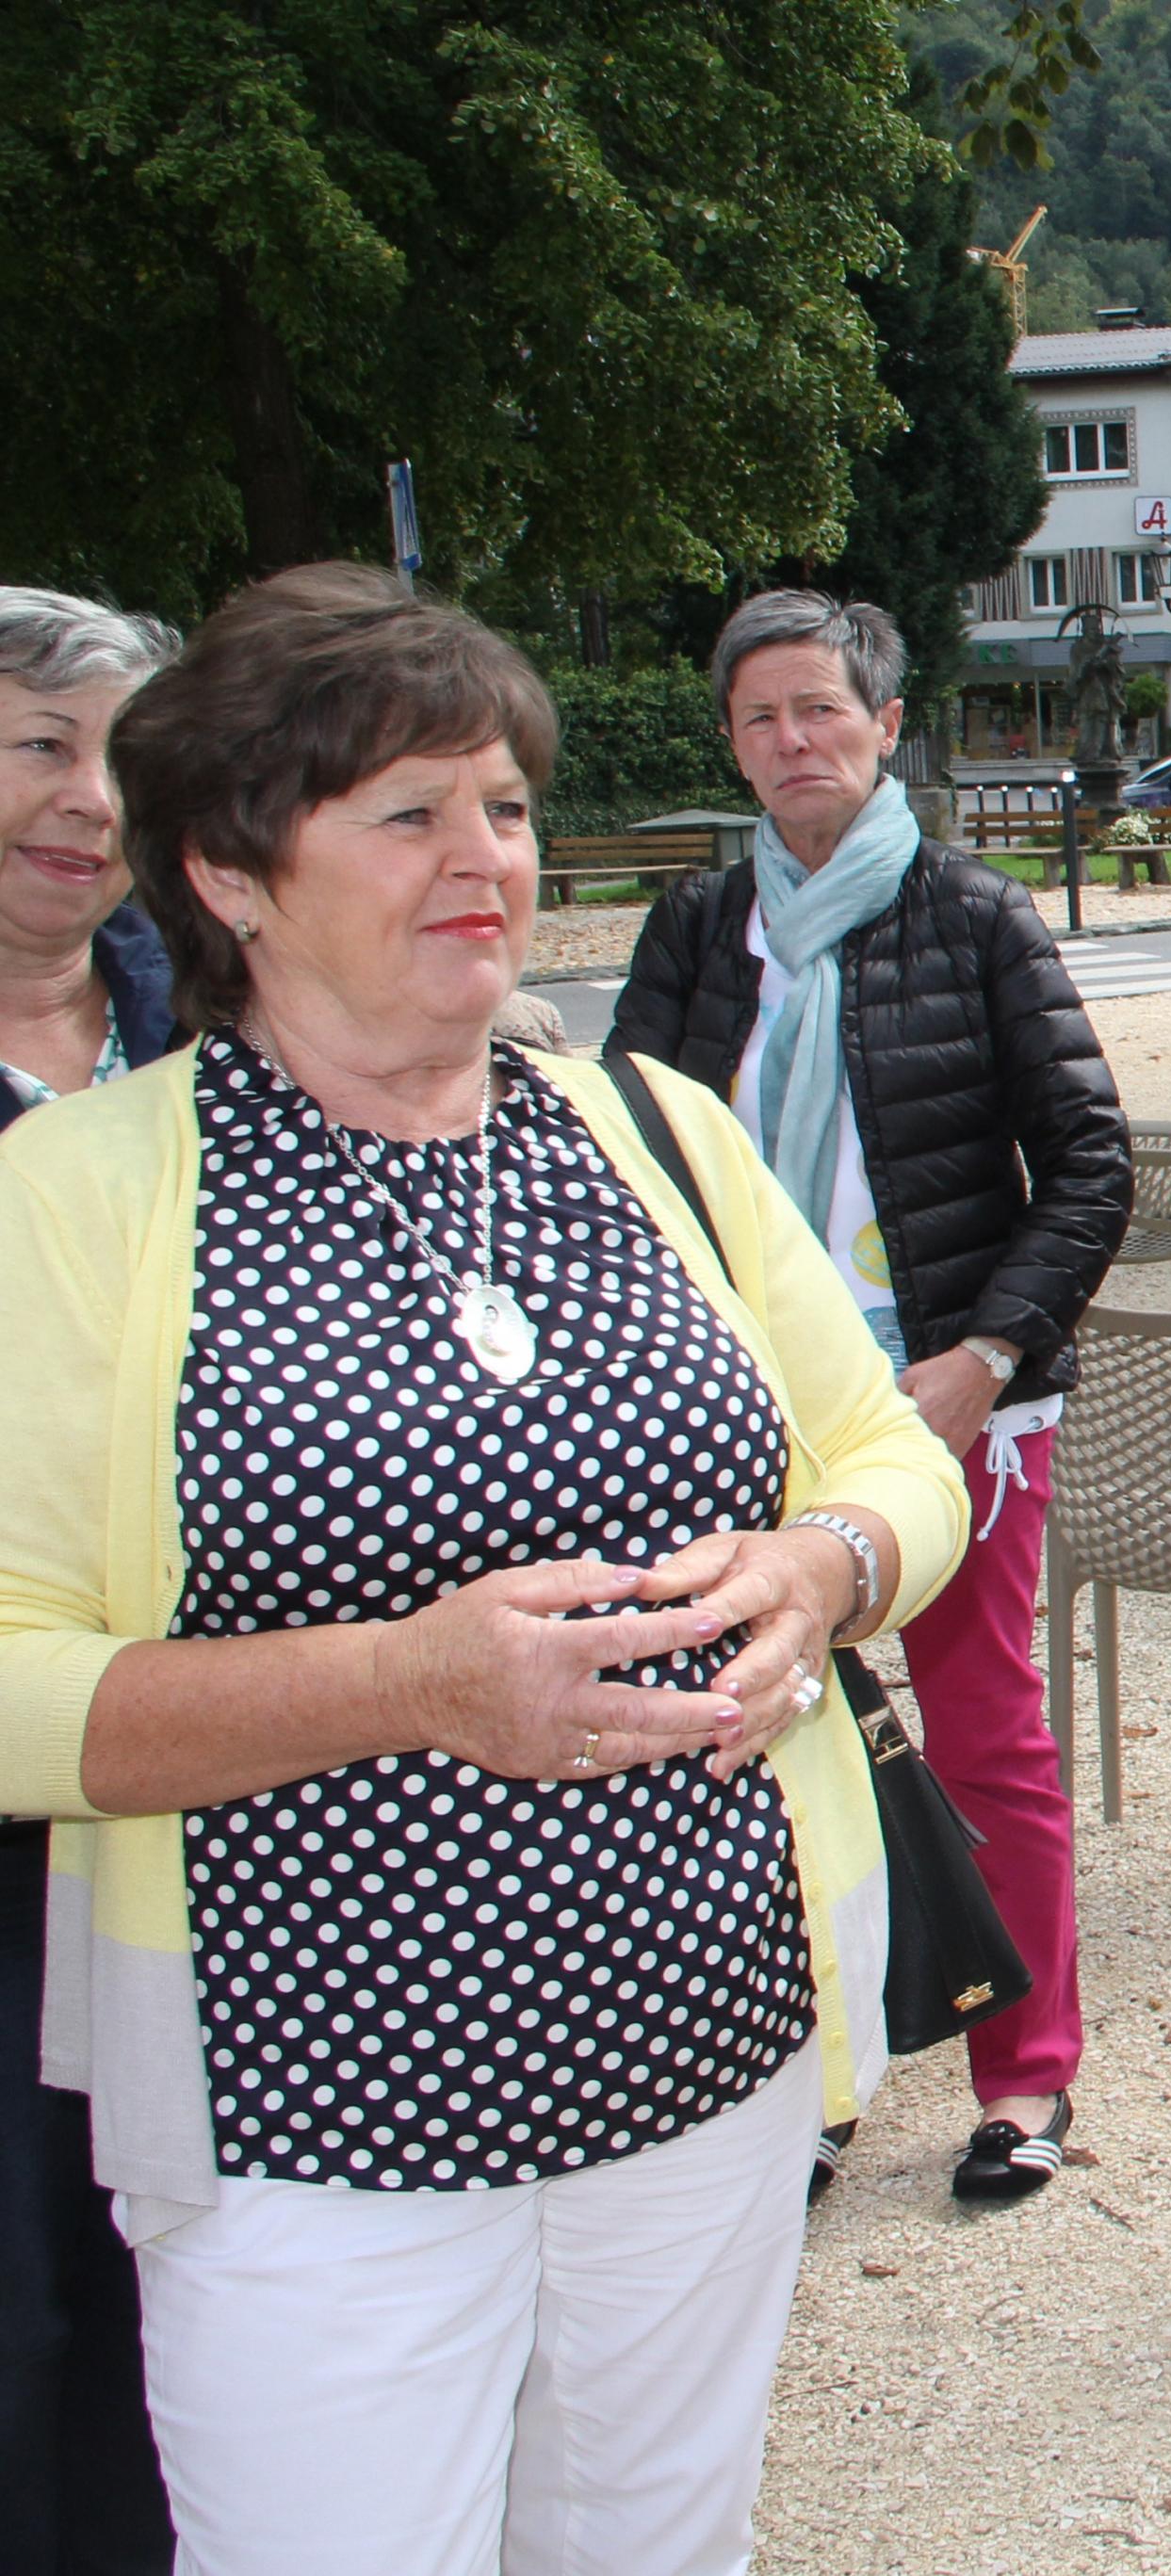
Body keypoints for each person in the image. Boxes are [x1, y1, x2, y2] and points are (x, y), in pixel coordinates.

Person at [0, 562, 969, 2573]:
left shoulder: (654, 1131)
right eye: (409, 814)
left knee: (655, 2548)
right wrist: (406, 1685)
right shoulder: (76, 1195)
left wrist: (828, 1566)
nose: (486, 860)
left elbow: (884, 1450)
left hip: (703, 2057)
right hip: (310, 2119)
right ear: (232, 874)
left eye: (508, 807)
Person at [614, 590, 1128, 2206]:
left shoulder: (974, 917)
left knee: (981, 1731)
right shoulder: (702, 931)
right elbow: (623, 1154)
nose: (794, 742)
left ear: (887, 726)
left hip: (942, 1397)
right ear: (732, 743)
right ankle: (814, 2074)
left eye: (822, 710)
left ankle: (1025, 2071)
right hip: (738, 1405)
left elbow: (1090, 1164)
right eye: (760, 717)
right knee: (761, 1736)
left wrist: (989, 1358)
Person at [0, 585, 180, 2574]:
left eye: (119, 756)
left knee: (161, 2263)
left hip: (188, 1748)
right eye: (38, 747)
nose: (87, 799)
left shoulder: (199, 1025)